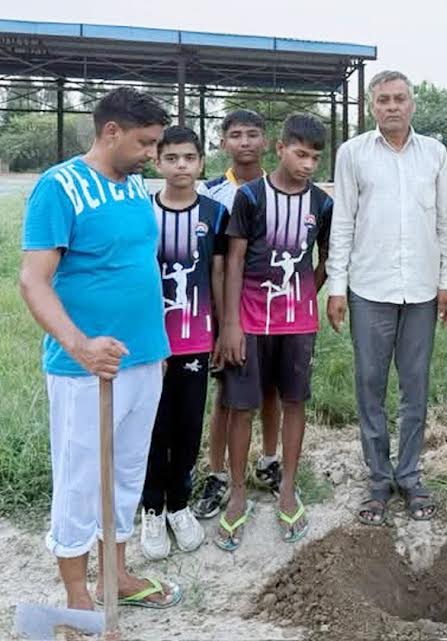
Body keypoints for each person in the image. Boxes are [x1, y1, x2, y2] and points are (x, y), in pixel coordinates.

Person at [19, 87, 180, 608]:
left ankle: (118, 575)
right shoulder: (59, 187)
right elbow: (33, 281)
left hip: (143, 357)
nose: (152, 154)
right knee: (80, 479)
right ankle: (76, 595)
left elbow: (136, 264)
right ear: (111, 131)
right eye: (145, 143)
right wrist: (81, 346)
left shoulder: (133, 186)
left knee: (127, 473)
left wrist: (156, 347)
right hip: (86, 368)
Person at [326, 70, 447, 526]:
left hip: (421, 290)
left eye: (400, 98)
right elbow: (343, 221)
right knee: (370, 385)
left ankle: (411, 475)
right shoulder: (353, 153)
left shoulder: (435, 153)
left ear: (412, 103)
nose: (393, 106)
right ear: (371, 107)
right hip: (369, 288)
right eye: (383, 100)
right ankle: (379, 479)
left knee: (415, 387)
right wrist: (337, 286)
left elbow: (445, 223)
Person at [217, 113, 333, 550]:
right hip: (248, 321)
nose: (307, 165)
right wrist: (230, 324)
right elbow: (234, 260)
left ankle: (287, 488)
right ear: (281, 148)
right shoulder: (250, 197)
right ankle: (238, 493)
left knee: (294, 401)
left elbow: (328, 259)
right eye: (300, 154)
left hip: (298, 325)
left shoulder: (322, 204)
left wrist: (304, 295)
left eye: (315, 158)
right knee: (241, 405)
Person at [140, 126, 228, 560]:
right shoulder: (142, 211)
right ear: (157, 162)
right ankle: (151, 507)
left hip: (195, 339)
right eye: (171, 158)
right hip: (148, 344)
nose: (181, 166)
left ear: (201, 162)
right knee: (152, 426)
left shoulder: (215, 213)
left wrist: (222, 331)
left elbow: (218, 274)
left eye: (189, 158)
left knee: (188, 424)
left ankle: (179, 503)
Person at [194, 109, 283, 519]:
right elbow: (209, 259)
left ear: (266, 141)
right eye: (236, 135)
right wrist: (218, 319)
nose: (244, 142)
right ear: (223, 142)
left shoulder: (280, 187)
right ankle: (217, 473)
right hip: (227, 310)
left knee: (271, 390)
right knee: (227, 395)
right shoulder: (211, 194)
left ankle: (269, 460)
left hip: (271, 308)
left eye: (252, 134)